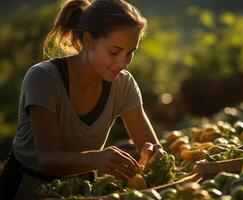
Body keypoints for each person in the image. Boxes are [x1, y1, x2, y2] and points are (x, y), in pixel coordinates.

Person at [0, 0, 166, 199]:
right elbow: (47, 159)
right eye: (114, 52)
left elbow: (149, 145)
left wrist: (154, 154)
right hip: (27, 188)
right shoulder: (43, 78)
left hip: (84, 191)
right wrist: (98, 158)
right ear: (88, 41)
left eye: (130, 53)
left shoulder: (123, 84)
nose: (123, 63)